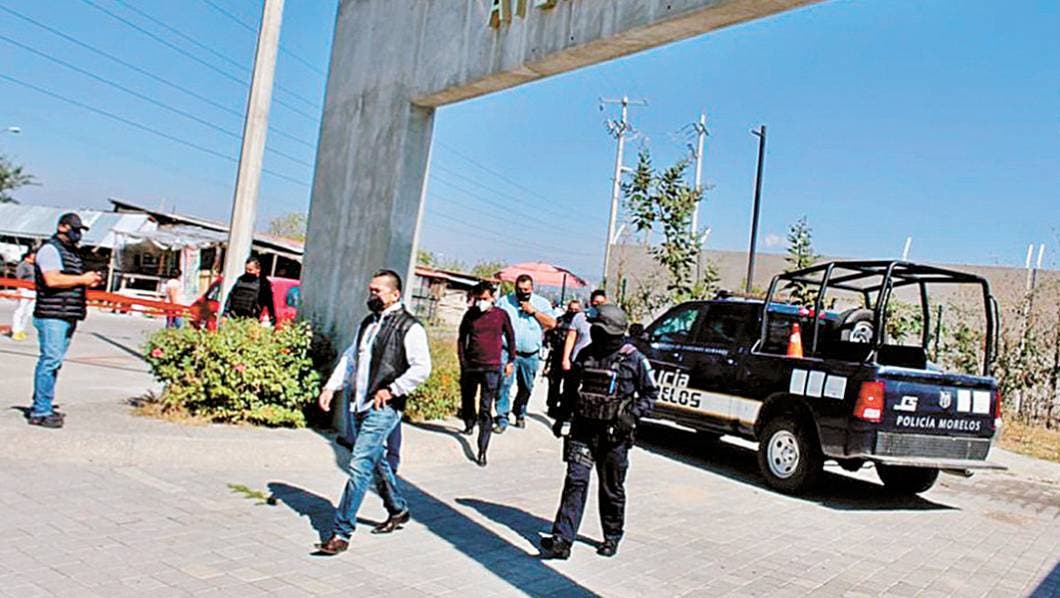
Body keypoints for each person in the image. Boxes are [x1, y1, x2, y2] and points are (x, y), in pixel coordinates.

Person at [316, 269, 431, 555]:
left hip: (384, 406)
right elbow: (351, 358)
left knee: (359, 464)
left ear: (395, 294)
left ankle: (341, 532)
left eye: (377, 291)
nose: (372, 295)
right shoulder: (368, 323)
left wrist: (392, 389)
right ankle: (398, 509)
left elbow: (421, 368)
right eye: (371, 290)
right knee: (375, 458)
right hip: (359, 403)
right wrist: (331, 387)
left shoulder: (409, 327)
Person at [540, 304, 658, 560]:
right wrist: (562, 418)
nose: (592, 331)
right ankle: (562, 539)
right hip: (583, 431)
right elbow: (571, 389)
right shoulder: (586, 354)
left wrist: (629, 416)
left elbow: (650, 394)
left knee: (611, 488)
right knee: (575, 481)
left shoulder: (634, 359)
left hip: (614, 436)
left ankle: (612, 535)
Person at [30, 213, 103, 428]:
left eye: (79, 230)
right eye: (74, 229)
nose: (77, 234)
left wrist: (88, 281)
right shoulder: (50, 250)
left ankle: (44, 404)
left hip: (66, 312)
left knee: (55, 362)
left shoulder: (70, 253)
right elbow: (52, 280)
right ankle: (40, 410)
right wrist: (82, 279)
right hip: (52, 314)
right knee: (50, 360)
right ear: (62, 227)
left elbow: (69, 279)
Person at [457, 281, 515, 467]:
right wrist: (463, 362)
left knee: (485, 408)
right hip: (471, 366)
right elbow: (462, 338)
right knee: (468, 398)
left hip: (491, 367)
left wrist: (510, 360)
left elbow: (511, 337)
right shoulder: (470, 315)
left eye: (485, 298)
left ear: (492, 298)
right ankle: (469, 422)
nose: (481, 302)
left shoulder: (501, 315)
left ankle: (482, 449)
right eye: (478, 298)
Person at [495, 274, 556, 431]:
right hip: (508, 352)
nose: (523, 292)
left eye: (526, 290)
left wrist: (533, 312)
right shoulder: (504, 302)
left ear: (532, 289)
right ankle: (502, 417)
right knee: (504, 384)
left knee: (526, 387)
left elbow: (551, 323)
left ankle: (519, 411)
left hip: (530, 353)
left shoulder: (542, 303)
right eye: (520, 289)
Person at [544, 299, 582, 418]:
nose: (573, 312)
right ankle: (552, 406)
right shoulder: (560, 321)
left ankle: (566, 409)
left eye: (576, 310)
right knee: (554, 383)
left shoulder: (581, 323)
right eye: (571, 309)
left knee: (570, 386)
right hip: (557, 356)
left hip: (574, 358)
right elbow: (549, 334)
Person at [222, 257, 276, 324]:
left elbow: (269, 301)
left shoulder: (263, 284)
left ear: (258, 269)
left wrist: (272, 315)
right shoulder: (240, 280)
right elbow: (230, 296)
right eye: (246, 269)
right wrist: (225, 314)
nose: (247, 271)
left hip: (251, 319)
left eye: (250, 270)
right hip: (234, 316)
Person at [10, 248, 36, 341]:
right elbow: (19, 278)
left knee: (28, 312)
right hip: (24, 289)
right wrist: (18, 289)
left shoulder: (35, 265)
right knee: (20, 310)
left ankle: (21, 329)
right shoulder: (23, 265)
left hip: (33, 290)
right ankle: (16, 330)